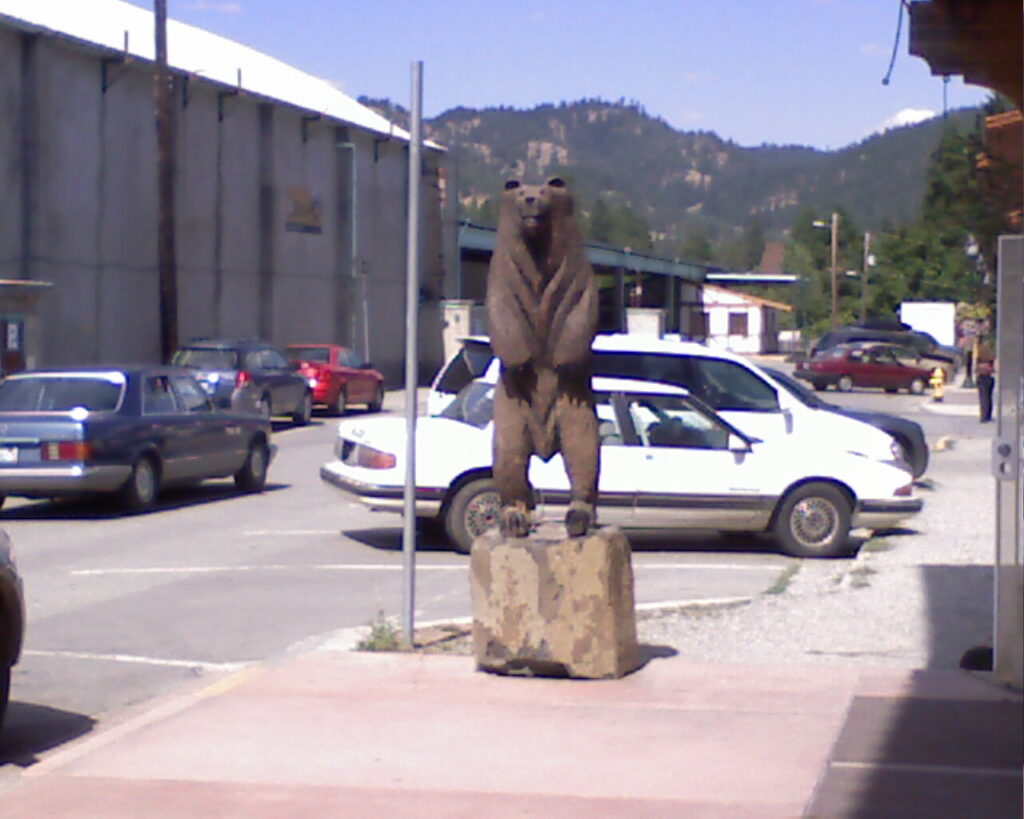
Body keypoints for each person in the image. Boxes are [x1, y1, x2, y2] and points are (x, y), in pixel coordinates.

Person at [976, 348, 995, 423]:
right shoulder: (991, 354)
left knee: (984, 398)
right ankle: (987, 415)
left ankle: (984, 416)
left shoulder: (980, 353)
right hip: (989, 377)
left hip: (983, 378)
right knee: (988, 397)